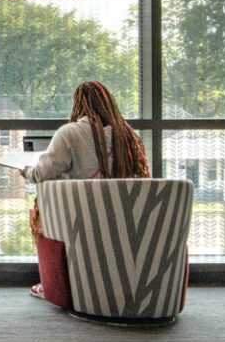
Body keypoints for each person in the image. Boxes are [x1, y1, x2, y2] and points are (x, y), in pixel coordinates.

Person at [20, 80, 149, 299]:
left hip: (79, 220)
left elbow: (44, 172)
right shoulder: (129, 137)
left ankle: (55, 285)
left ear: (78, 104)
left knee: (38, 215)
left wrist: (27, 172)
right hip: (126, 222)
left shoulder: (70, 133)